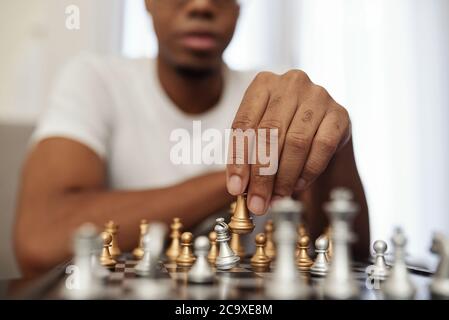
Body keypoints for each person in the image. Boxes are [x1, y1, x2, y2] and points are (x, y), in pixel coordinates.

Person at [14, 0, 369, 277]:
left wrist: (336, 142)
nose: (201, 5)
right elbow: (40, 241)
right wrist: (234, 180)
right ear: (147, 3)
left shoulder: (279, 100)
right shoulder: (93, 80)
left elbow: (351, 261)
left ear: (238, 9)